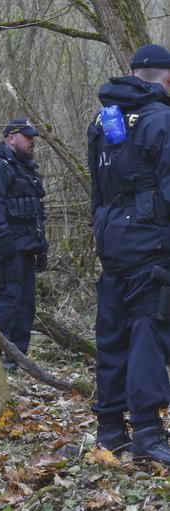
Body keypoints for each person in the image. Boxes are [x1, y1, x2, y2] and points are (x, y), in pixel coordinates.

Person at [88, 43, 170, 464]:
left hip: (112, 243)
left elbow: (97, 192)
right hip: (153, 247)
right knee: (148, 335)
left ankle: (109, 430)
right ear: (166, 77)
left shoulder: (102, 121)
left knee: (112, 335)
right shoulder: (163, 122)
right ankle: (148, 434)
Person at [0, 117, 48, 368]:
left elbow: (36, 214)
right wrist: (5, 247)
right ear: (11, 138)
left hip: (26, 250)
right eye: (27, 137)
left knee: (26, 305)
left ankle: (16, 361)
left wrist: (41, 248)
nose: (32, 142)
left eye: (33, 138)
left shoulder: (26, 169)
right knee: (8, 303)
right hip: (7, 252)